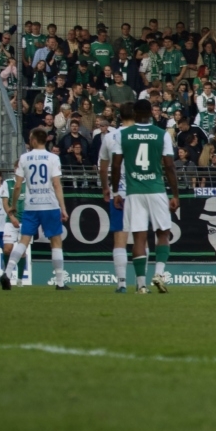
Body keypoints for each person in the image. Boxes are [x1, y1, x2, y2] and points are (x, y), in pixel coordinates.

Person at [110, 99, 178, 294]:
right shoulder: (162, 134)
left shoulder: (122, 134)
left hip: (134, 191)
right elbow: (169, 166)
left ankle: (141, 285)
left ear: (134, 113)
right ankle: (159, 274)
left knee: (139, 237)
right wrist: (175, 194)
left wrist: (116, 192)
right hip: (156, 189)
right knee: (163, 232)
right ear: (151, 113)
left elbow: (116, 165)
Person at [96, 103, 132, 292]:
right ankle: (142, 283)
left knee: (119, 237)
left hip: (119, 191)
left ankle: (122, 283)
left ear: (119, 117)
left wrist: (105, 188)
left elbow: (103, 168)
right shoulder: (143, 136)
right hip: (140, 191)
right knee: (141, 236)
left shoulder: (110, 137)